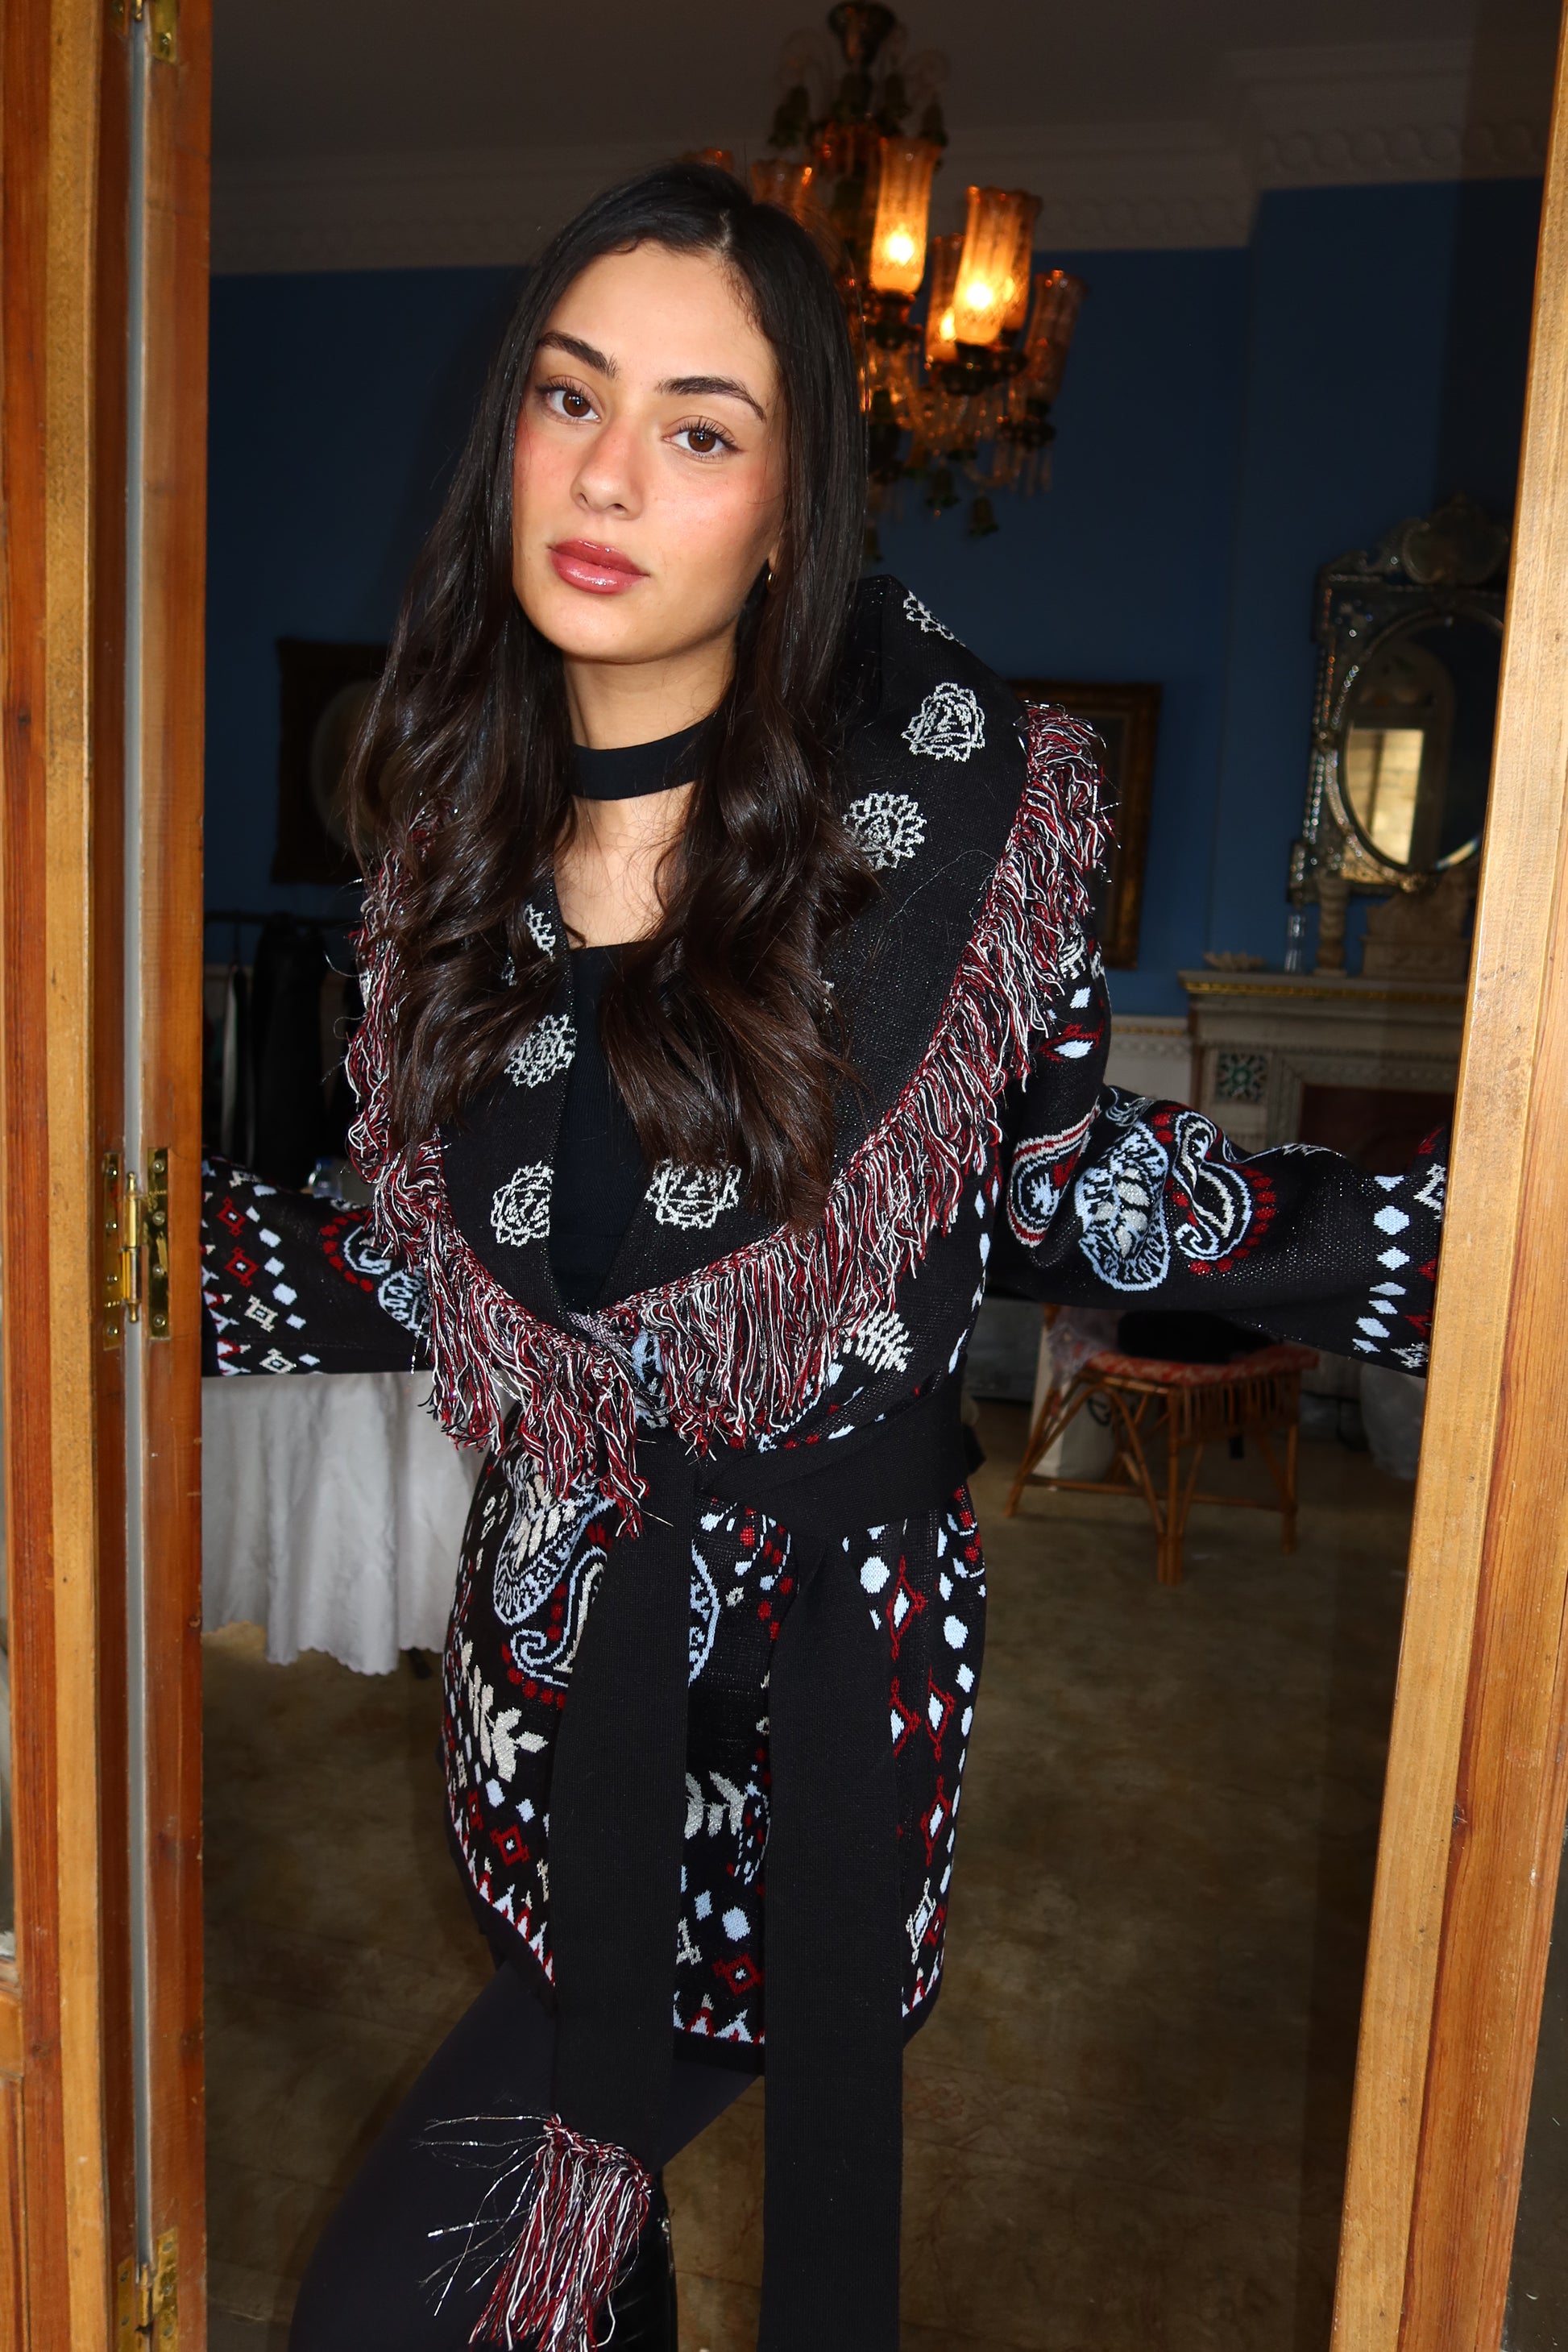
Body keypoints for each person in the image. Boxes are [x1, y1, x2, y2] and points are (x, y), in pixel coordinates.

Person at [201, 164, 1446, 2352]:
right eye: (570, 398)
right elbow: (422, 1264)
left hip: (804, 1735)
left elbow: (1059, 1196)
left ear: (789, 513)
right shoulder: (446, 873)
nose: (608, 473)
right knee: (589, 2270)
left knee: (387, 2311)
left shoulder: (928, 859)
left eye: (698, 428)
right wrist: (123, 1265)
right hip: (534, 1698)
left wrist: (1443, 1252)